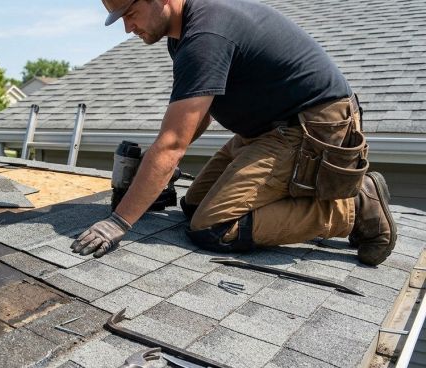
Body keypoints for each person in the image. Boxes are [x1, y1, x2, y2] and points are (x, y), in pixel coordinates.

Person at [71, 0, 396, 265]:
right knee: (193, 207)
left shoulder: (205, 35)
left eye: (130, 13)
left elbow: (172, 144)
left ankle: (354, 207)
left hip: (312, 128)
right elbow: (197, 118)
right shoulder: (183, 35)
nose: (128, 27)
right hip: (269, 130)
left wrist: (118, 222)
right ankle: (297, 196)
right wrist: (158, 170)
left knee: (214, 227)